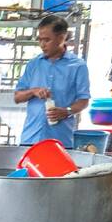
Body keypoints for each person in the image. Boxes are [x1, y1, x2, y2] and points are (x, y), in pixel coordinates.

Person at [13, 14, 91, 148]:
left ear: (62, 38)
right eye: (40, 40)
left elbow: (83, 101)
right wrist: (33, 91)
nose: (42, 45)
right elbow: (17, 97)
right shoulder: (34, 64)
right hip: (30, 139)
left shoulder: (78, 66)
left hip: (60, 141)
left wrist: (66, 111)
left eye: (47, 40)